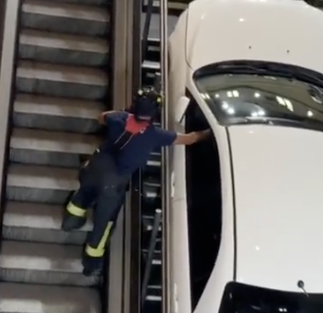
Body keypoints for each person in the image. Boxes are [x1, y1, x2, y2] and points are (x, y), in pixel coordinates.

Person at [62, 87, 211, 275]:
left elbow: (101, 117)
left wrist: (123, 113)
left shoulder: (119, 118)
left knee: (84, 193)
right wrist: (208, 133)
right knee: (103, 225)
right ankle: (91, 263)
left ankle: (70, 221)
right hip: (113, 185)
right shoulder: (155, 135)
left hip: (95, 166)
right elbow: (189, 139)